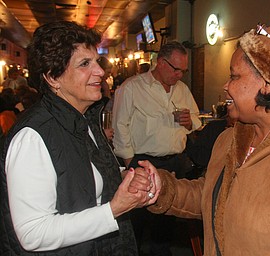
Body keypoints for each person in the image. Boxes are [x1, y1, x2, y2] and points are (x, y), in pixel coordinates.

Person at [146, 23, 270, 256]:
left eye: (234, 76)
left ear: (268, 84)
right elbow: (212, 197)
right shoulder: (229, 139)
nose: (226, 86)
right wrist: (161, 188)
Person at [0, 20, 159, 256]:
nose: (100, 71)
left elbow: (85, 181)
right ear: (53, 78)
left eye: (96, 61)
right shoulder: (32, 136)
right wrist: (114, 209)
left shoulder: (84, 119)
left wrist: (128, 178)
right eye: (85, 63)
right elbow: (33, 234)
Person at [112, 41, 201, 255]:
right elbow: (119, 125)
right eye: (176, 69)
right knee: (136, 221)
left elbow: (196, 121)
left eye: (184, 70)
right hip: (143, 161)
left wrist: (188, 121)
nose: (180, 75)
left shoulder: (183, 90)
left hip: (175, 163)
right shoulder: (132, 87)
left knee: (167, 220)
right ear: (160, 63)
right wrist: (129, 163)